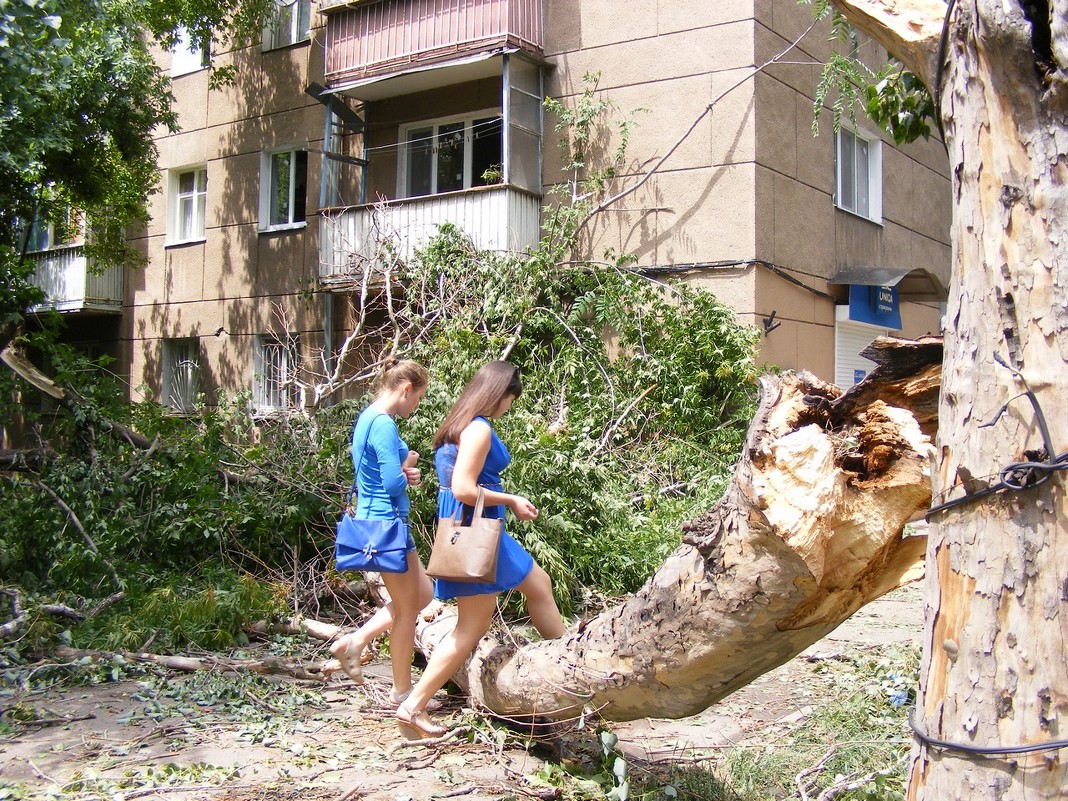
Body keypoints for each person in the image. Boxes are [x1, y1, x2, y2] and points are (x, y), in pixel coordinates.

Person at [395, 360, 566, 739]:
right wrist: (512, 500)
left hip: (472, 530)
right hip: (479, 531)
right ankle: (412, 707)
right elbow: (463, 489)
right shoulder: (478, 429)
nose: (509, 407)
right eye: (510, 400)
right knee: (475, 624)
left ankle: (570, 663)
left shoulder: (458, 426)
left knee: (536, 587)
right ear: (499, 394)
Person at [330, 358, 441, 710]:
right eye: (418, 398)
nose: (417, 405)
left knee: (423, 595)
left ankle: (356, 640)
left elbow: (382, 474)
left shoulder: (369, 418)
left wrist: (405, 466)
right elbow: (393, 483)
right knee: (409, 609)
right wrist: (408, 468)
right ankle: (404, 693)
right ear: (406, 389)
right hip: (386, 523)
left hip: (383, 521)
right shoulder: (383, 425)